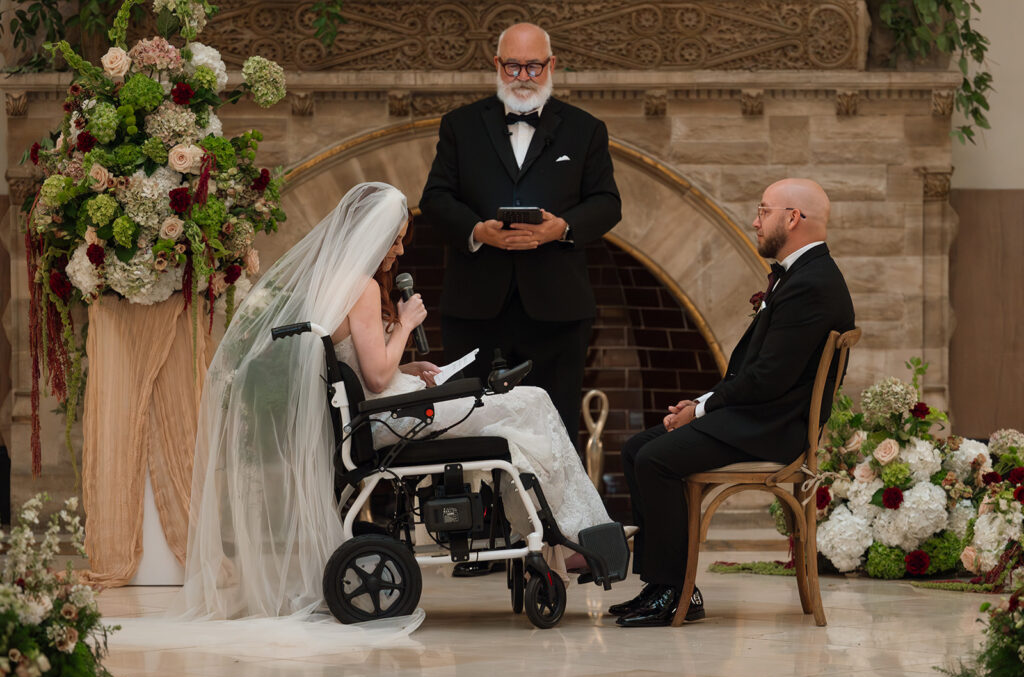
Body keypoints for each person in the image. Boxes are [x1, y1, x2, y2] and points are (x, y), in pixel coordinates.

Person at [175, 182, 611, 627]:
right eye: (396, 239)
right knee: (532, 400)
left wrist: (412, 365)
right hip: (390, 420)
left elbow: (370, 370)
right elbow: (378, 376)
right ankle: (573, 537)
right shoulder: (362, 287)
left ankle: (560, 537)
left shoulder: (337, 282)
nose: (399, 250)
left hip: (383, 412)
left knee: (520, 418)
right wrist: (404, 325)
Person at [612, 179, 856, 627]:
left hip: (773, 428)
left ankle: (675, 591)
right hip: (759, 415)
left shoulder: (812, 285)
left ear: (792, 218)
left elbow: (767, 378)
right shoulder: (802, 276)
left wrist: (702, 410)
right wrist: (703, 402)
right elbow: (758, 374)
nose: (755, 221)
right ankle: (663, 584)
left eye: (764, 211)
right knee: (635, 450)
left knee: (655, 460)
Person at [419, 22, 621, 438]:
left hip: (557, 313)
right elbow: (436, 198)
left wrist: (561, 228)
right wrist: (478, 231)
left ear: (552, 65)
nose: (523, 78)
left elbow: (607, 203)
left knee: (554, 431)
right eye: (513, 66)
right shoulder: (460, 125)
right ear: (497, 64)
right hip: (475, 308)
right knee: (467, 428)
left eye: (533, 67)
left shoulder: (586, 129)